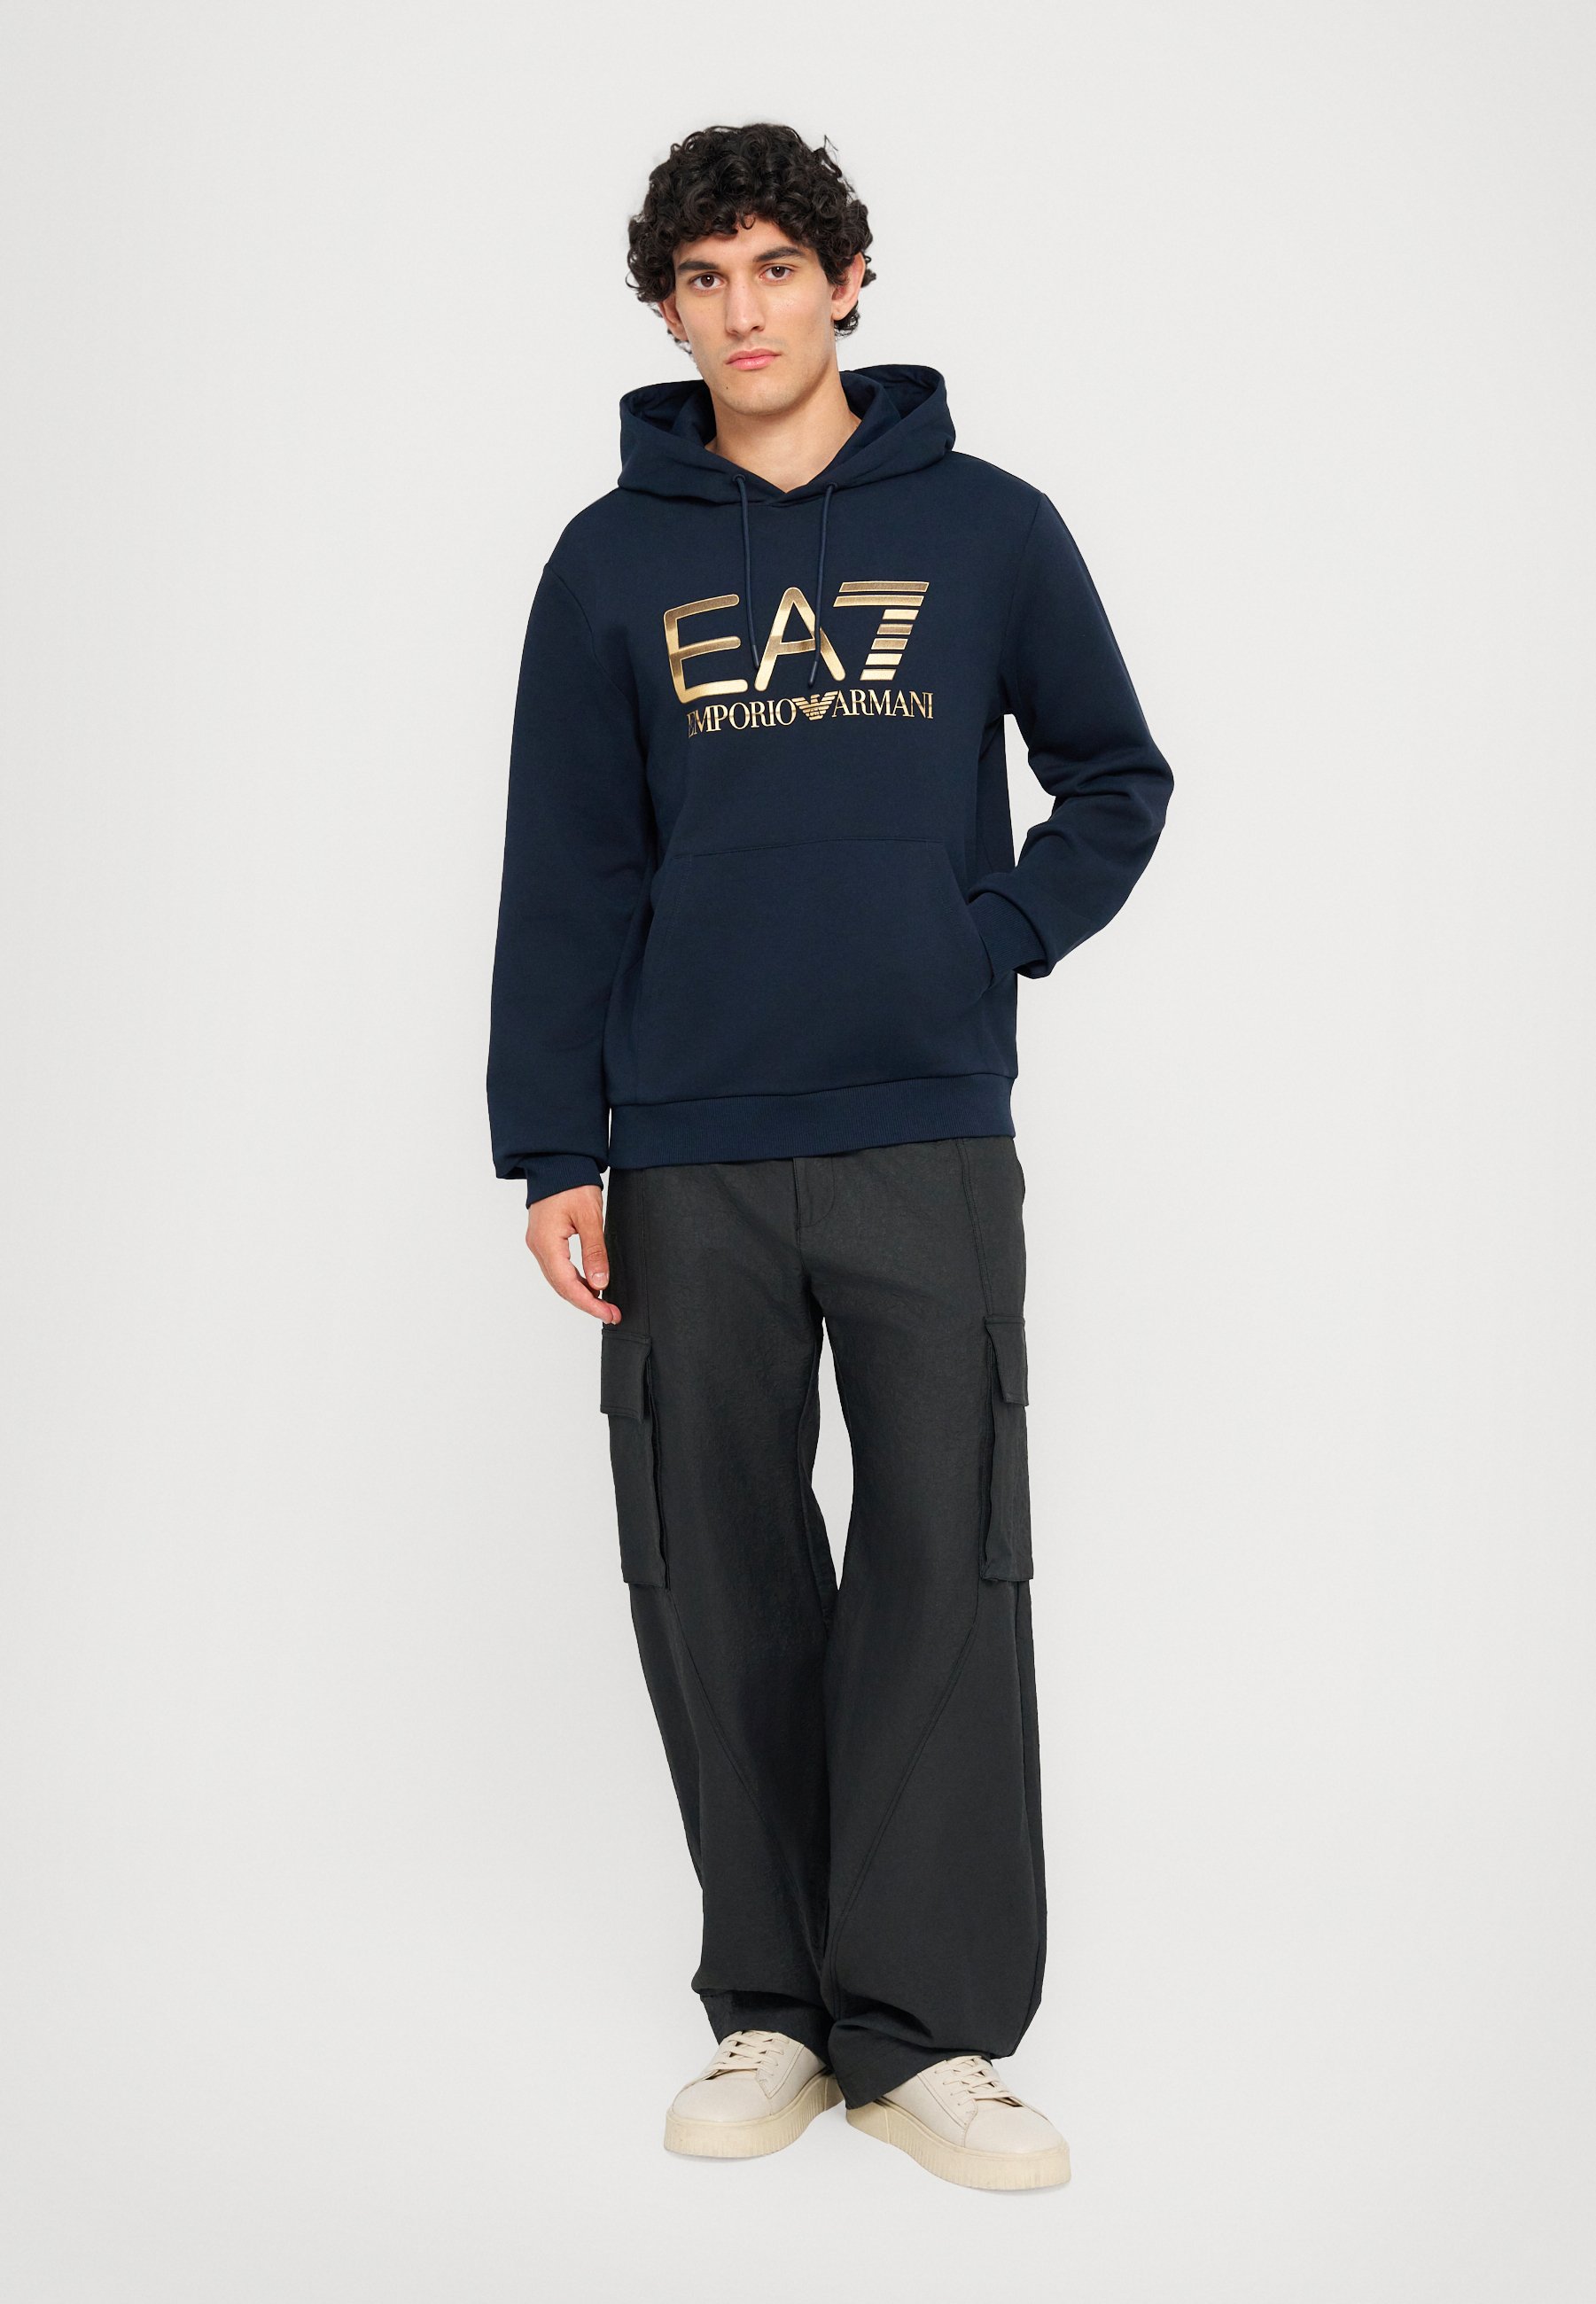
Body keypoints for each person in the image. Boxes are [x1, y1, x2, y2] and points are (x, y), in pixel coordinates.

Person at [487, 121, 1172, 2192]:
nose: (742, 311)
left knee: (946, 1558)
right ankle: (774, 2007)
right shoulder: (606, 565)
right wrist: (554, 1142)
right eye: (702, 280)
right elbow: (567, 865)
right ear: (666, 309)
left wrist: (994, 936)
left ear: (849, 278)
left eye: (775, 267)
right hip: (686, 1144)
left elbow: (1114, 774)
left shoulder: (986, 528)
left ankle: (923, 2029)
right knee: (714, 1565)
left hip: (923, 1127)